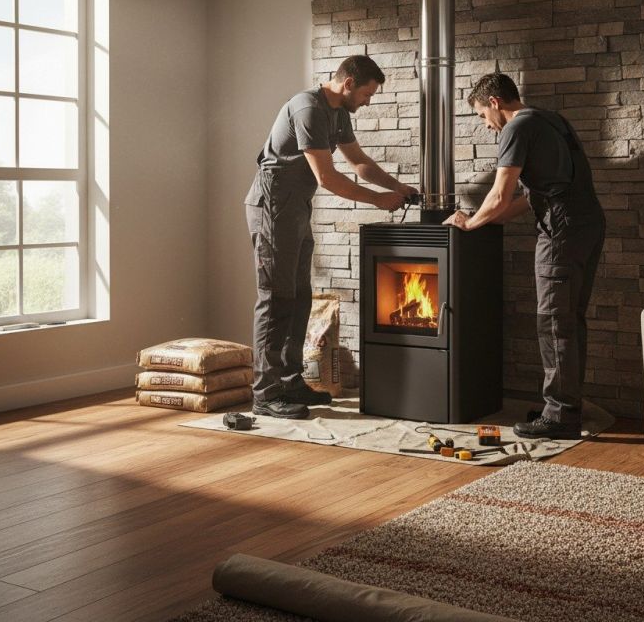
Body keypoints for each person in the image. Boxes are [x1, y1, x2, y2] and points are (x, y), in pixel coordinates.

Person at [245, 55, 418, 420]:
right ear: (349, 83)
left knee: (299, 296)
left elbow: (359, 162)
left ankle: (290, 381)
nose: (368, 102)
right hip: (273, 205)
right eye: (367, 94)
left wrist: (397, 187)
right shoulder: (308, 107)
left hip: (295, 207)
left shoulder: (338, 113)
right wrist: (377, 200)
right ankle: (265, 393)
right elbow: (327, 178)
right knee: (276, 299)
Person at [443, 73, 605, 439]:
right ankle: (567, 406)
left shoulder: (515, 128)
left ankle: (560, 416)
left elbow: (500, 194)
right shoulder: (552, 120)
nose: (486, 125)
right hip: (588, 224)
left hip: (560, 232)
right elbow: (537, 195)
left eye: (482, 115)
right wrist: (491, 218)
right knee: (570, 319)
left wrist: (469, 223)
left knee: (554, 321)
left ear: (495, 102)